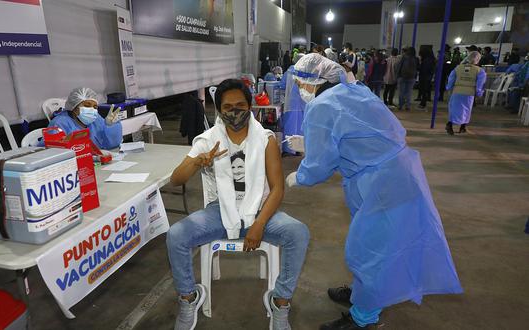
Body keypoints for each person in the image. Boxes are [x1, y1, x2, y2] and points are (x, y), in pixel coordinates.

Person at [285, 53, 463, 330]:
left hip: (382, 186)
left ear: (315, 80)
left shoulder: (321, 106)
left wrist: (300, 175)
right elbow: (357, 135)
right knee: (377, 244)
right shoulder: (356, 91)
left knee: (371, 251)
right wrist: (313, 145)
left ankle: (363, 318)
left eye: (300, 82)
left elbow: (319, 166)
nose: (299, 89)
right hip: (397, 173)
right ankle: (362, 295)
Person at [167, 79, 310, 330]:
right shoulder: (207, 140)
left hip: (260, 210)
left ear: (250, 105)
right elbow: (176, 179)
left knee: (298, 232)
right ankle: (189, 298)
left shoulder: (266, 140)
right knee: (176, 235)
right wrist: (198, 161)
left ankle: (280, 301)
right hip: (219, 210)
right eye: (228, 106)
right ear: (219, 109)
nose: (234, 112)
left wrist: (259, 224)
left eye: (240, 105)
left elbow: (277, 188)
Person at [47, 87, 122, 150]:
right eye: (87, 105)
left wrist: (110, 126)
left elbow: (112, 145)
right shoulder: (59, 124)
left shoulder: (96, 119)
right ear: (75, 107)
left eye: (95, 107)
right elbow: (53, 153)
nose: (92, 110)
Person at [445, 51, 487, 135]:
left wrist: (448, 88)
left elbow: (451, 79)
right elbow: (480, 84)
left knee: (453, 109)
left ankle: (449, 125)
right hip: (469, 93)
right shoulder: (480, 71)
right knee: (466, 111)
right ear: (478, 59)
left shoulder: (458, 68)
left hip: (457, 92)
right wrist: (479, 93)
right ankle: (463, 127)